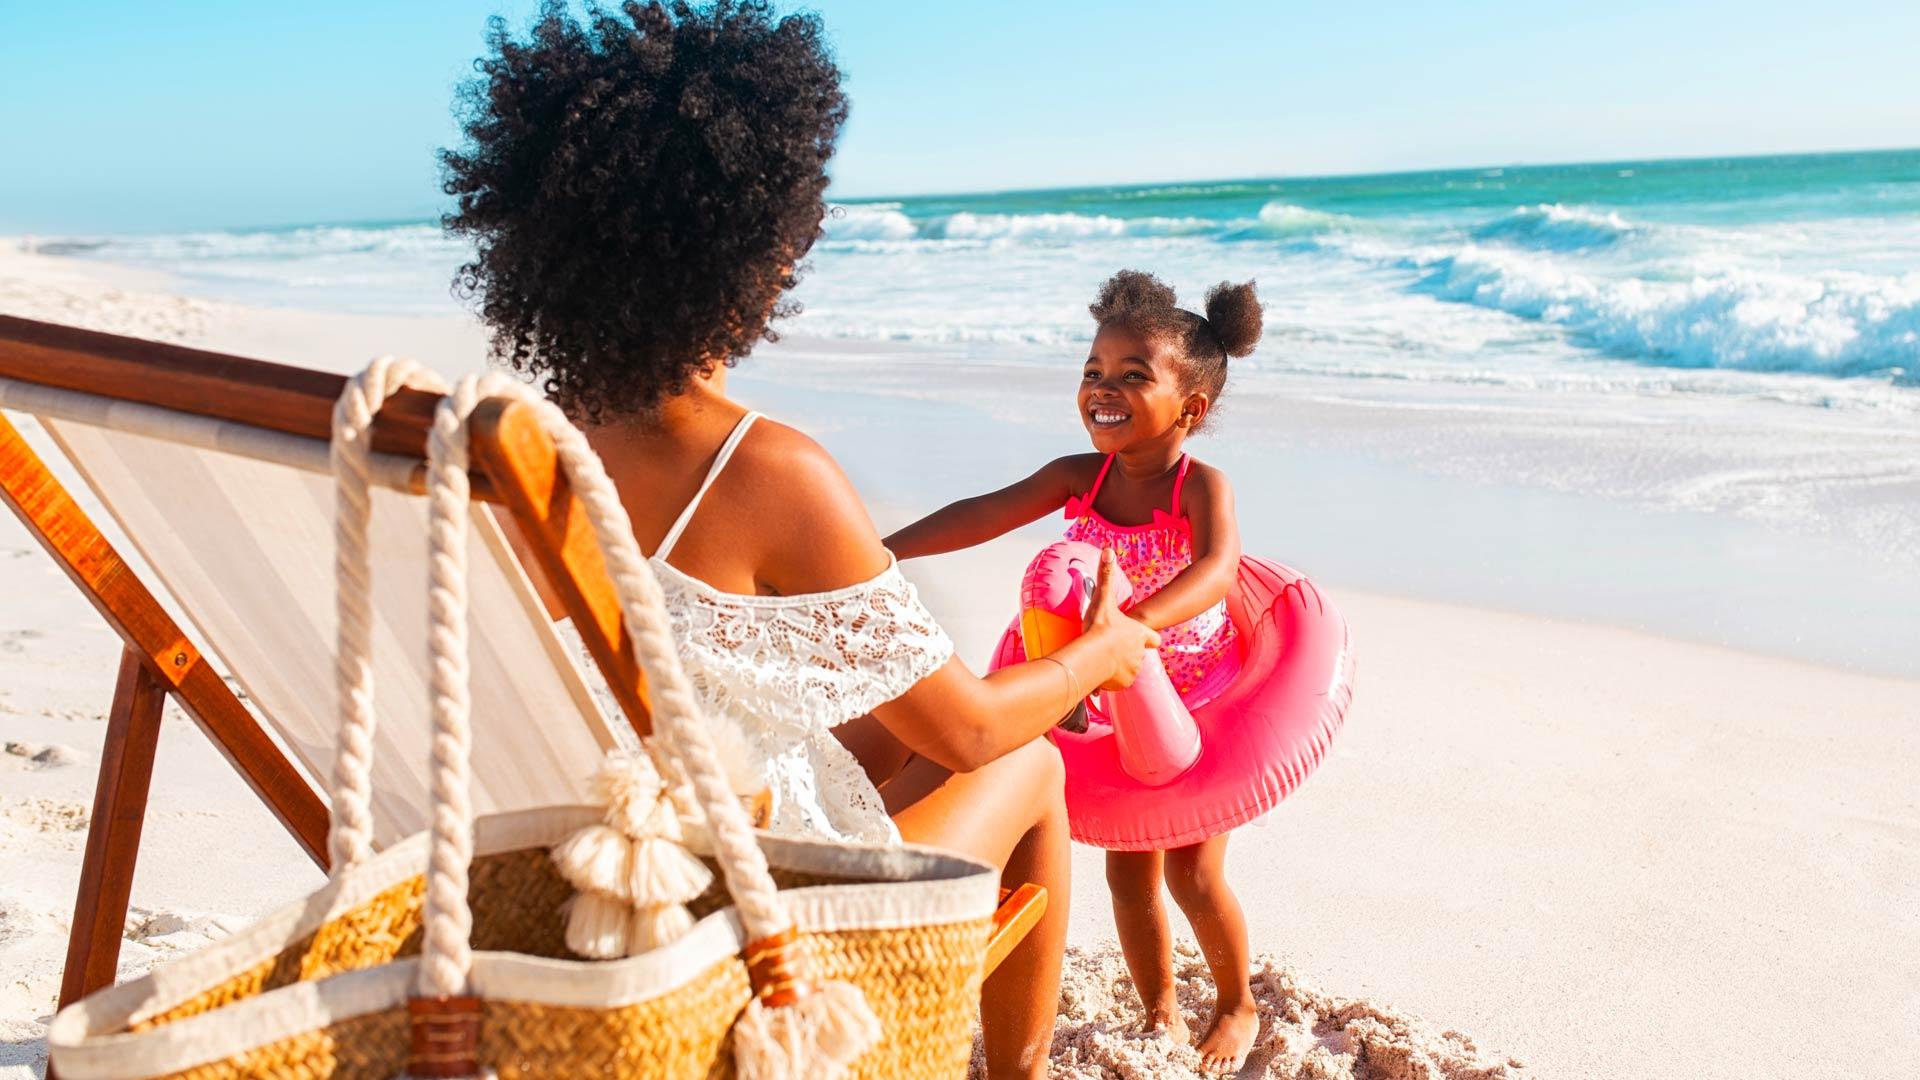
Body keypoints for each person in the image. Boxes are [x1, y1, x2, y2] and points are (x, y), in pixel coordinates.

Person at [439, 4, 1157, 1077]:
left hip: (570, 880)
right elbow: (967, 731)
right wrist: (1102, 652)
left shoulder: (519, 456)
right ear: (752, 247)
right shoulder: (764, 472)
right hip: (739, 925)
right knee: (1036, 764)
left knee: (883, 728)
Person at [885, 269, 1266, 1072]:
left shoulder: (1201, 485)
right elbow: (982, 513)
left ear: (1190, 408)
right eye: (1094, 371)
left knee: (1194, 876)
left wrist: (1127, 628)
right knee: (1128, 876)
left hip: (1187, 690)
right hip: (1104, 683)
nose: (1103, 387)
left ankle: (1238, 1003)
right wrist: (881, 551)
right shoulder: (1077, 476)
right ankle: (1159, 1009)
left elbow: (1218, 570)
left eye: (1134, 376)